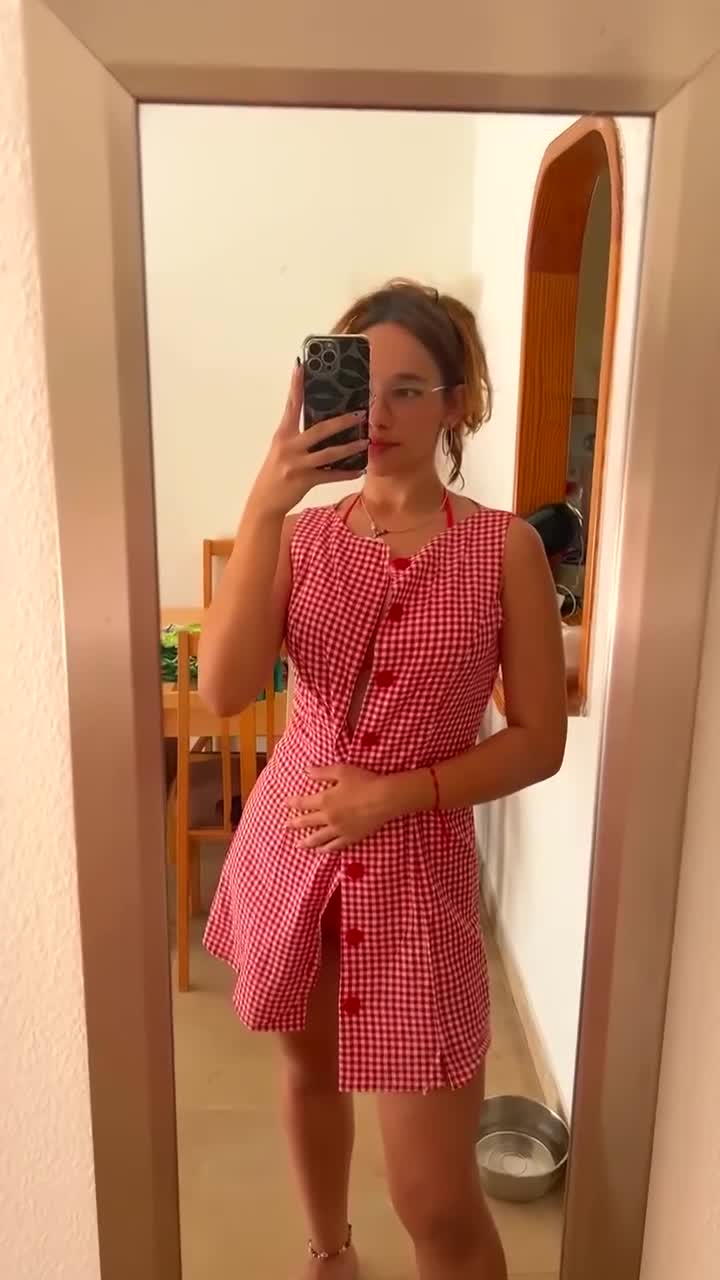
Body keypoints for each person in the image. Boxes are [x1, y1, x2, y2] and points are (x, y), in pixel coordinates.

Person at [200, 279, 567, 1280]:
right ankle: (330, 1252)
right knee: (309, 1069)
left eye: (409, 390)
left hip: (414, 876)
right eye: (361, 387)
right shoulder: (302, 537)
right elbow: (224, 689)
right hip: (296, 848)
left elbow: (539, 741)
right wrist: (265, 502)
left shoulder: (506, 549)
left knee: (436, 1199)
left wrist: (395, 793)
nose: (378, 415)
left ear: (457, 403)